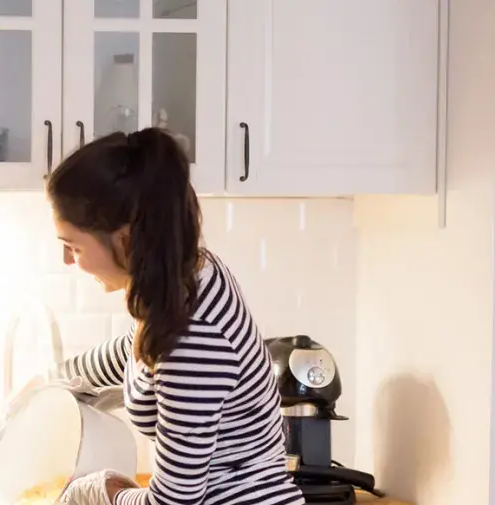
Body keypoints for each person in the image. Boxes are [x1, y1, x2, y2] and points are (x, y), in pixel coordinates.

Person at [48, 129, 306, 505]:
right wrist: (55, 382)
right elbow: (138, 351)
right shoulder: (188, 277)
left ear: (125, 240)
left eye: (73, 246)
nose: (68, 261)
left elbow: (173, 503)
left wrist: (99, 494)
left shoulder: (193, 339)